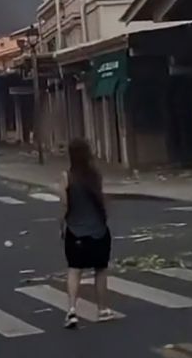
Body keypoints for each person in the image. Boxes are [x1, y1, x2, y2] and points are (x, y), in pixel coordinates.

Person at [59, 138, 111, 329]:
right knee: (100, 270)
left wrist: (61, 226)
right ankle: (103, 309)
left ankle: (72, 310)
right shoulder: (96, 176)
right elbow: (102, 200)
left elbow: (65, 205)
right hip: (98, 230)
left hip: (75, 231)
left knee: (74, 270)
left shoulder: (66, 177)